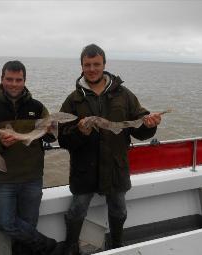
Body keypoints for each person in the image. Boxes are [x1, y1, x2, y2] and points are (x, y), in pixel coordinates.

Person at [58, 44, 162, 254]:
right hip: (84, 170)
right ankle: (70, 247)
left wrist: (150, 124)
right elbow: (63, 139)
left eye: (96, 64)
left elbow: (139, 131)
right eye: (88, 65)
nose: (92, 69)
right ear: (82, 66)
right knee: (77, 210)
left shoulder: (124, 95)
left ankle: (116, 245)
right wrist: (80, 132)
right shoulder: (73, 100)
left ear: (104, 64)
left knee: (119, 210)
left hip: (116, 167)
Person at [0, 60, 63, 255]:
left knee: (28, 225)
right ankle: (49, 246)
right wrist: (0, 143)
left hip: (32, 177)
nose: (14, 84)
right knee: (4, 223)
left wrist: (51, 129)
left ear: (24, 80)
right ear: (2, 79)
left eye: (18, 79)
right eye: (9, 79)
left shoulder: (38, 108)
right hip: (2, 178)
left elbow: (50, 137)